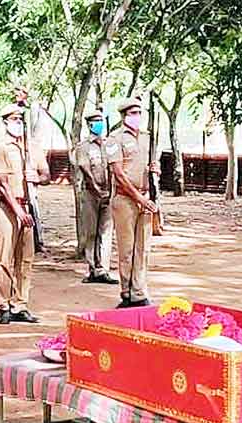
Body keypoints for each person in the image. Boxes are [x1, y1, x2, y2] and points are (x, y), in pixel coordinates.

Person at [0, 103, 48, 325]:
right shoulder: (0, 147)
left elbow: (46, 175)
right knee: (5, 257)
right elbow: (2, 184)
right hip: (8, 208)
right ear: (5, 122)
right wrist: (18, 211)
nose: (18, 124)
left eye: (21, 120)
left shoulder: (32, 148)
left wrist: (37, 178)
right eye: (14, 120)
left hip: (28, 206)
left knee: (26, 259)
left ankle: (20, 304)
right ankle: (3, 304)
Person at [106, 97, 159, 308]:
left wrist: (155, 170)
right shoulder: (114, 139)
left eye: (138, 113)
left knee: (143, 248)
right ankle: (126, 291)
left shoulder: (147, 138)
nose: (136, 117)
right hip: (126, 199)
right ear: (123, 115)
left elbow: (149, 165)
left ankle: (140, 290)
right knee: (126, 248)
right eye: (132, 113)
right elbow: (118, 174)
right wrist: (139, 198)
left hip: (146, 197)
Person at [76, 110, 119, 284]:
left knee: (106, 232)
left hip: (109, 193)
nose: (99, 124)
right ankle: (93, 269)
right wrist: (97, 190)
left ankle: (103, 269)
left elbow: (114, 168)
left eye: (101, 121)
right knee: (92, 231)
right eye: (95, 121)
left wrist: (109, 191)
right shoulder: (83, 146)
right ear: (89, 125)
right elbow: (86, 170)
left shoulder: (109, 145)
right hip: (91, 193)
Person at [13, 85, 48, 251]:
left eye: (20, 92)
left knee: (33, 205)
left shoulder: (32, 110)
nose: (17, 95)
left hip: (31, 154)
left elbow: (46, 176)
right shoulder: (11, 110)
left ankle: (38, 240)